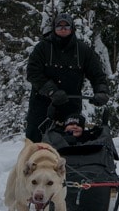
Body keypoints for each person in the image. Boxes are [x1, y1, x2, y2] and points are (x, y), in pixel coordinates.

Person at [24, 13, 111, 142]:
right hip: (42, 105)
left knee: (71, 141)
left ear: (72, 29)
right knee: (36, 141)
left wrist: (101, 91)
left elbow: (97, 74)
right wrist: (51, 91)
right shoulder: (42, 48)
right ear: (54, 29)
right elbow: (33, 73)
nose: (63, 30)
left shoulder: (83, 50)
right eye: (59, 27)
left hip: (70, 105)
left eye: (66, 27)